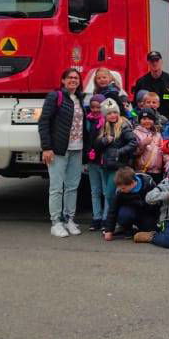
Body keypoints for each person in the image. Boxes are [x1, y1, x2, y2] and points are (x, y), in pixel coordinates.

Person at [38, 68, 86, 238]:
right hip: (58, 149)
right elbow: (43, 122)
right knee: (56, 187)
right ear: (63, 80)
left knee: (72, 187)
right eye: (70, 78)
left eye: (76, 78)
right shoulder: (55, 96)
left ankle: (69, 219)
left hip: (77, 148)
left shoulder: (80, 98)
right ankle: (56, 222)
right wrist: (46, 147)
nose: (73, 80)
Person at [103, 167, 160, 240]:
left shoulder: (148, 184)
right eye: (119, 188)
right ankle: (127, 229)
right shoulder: (120, 191)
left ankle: (139, 228)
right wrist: (109, 230)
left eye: (123, 188)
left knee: (150, 227)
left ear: (133, 183)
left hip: (147, 212)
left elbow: (157, 204)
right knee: (124, 215)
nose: (121, 190)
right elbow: (112, 210)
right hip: (130, 211)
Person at [132, 50, 169, 120]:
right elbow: (135, 106)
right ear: (148, 63)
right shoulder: (141, 82)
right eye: (152, 61)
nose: (154, 63)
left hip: (168, 121)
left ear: (161, 62)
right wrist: (136, 118)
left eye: (157, 60)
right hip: (148, 121)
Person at [84, 93, 108, 232]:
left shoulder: (108, 121)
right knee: (95, 191)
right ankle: (96, 217)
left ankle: (105, 218)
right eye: (93, 107)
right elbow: (86, 140)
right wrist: (88, 153)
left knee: (106, 191)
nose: (95, 110)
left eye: (98, 107)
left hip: (104, 161)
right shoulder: (88, 121)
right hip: (92, 160)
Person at [133, 108, 169, 182]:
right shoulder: (135, 133)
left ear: (153, 120)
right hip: (142, 170)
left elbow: (162, 150)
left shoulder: (158, 134)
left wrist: (167, 159)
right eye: (144, 119)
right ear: (140, 120)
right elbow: (134, 152)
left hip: (157, 171)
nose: (147, 121)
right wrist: (143, 143)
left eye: (150, 119)